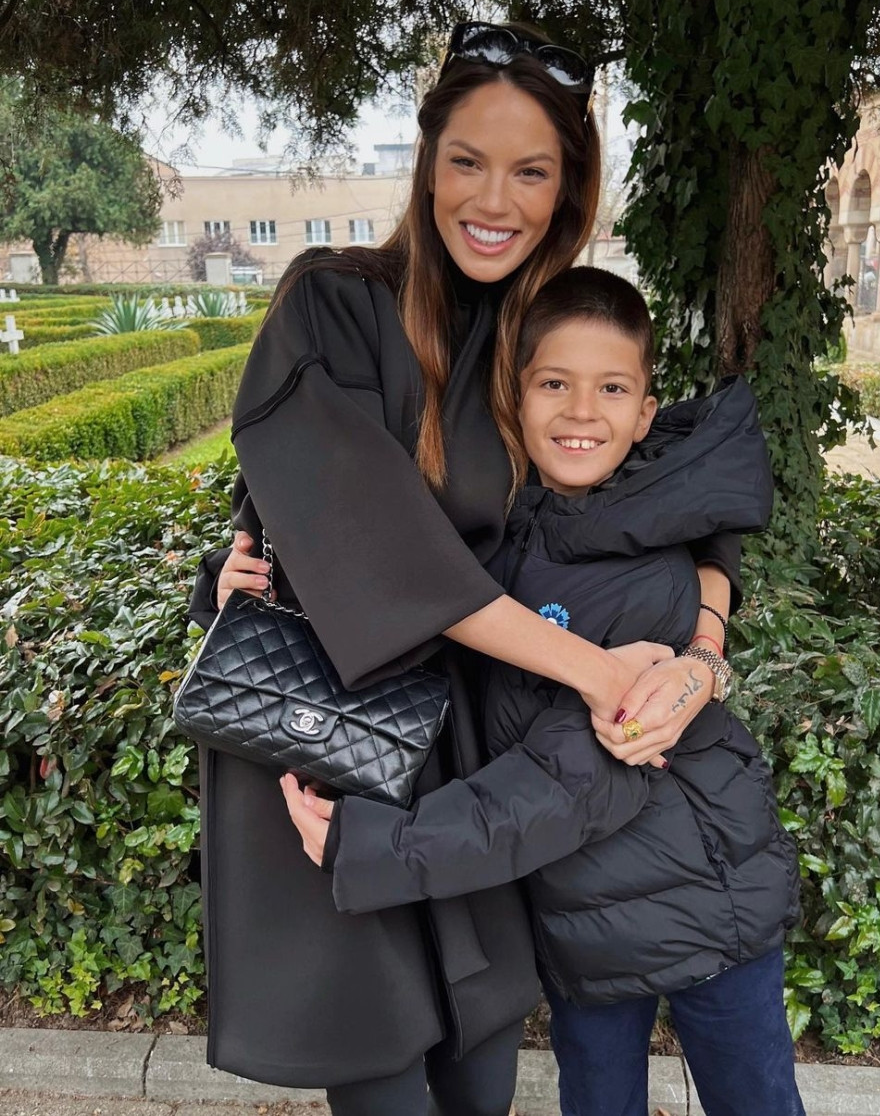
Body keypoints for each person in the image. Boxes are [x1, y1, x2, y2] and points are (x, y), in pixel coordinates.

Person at [188, 23, 744, 1116]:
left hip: (475, 756)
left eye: (530, 170)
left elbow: (682, 483)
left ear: (566, 189)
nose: (494, 199)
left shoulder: (540, 337)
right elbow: (377, 542)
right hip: (335, 747)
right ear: (427, 163)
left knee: (481, 1069)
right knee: (386, 1077)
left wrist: (702, 650)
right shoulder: (331, 301)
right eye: (467, 161)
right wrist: (599, 671)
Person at [283, 267, 803, 1116]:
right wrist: (235, 573)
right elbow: (373, 539)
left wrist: (385, 848)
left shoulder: (643, 574)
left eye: (611, 388)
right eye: (554, 383)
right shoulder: (512, 529)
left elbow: (570, 780)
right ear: (513, 399)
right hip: (581, 927)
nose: (581, 411)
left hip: (710, 915)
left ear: (645, 413)